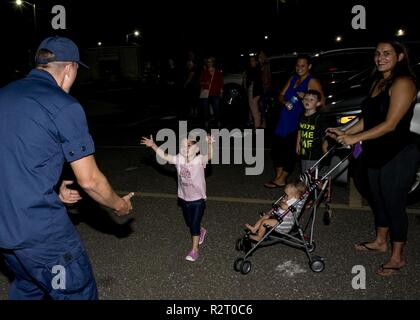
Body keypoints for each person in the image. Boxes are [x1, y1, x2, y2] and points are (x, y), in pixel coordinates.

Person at [0, 36, 134, 300]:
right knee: (76, 291)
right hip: (42, 236)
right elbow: (90, 181)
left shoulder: (5, 94)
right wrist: (118, 205)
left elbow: (15, 153)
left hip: (6, 233)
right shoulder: (64, 105)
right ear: (70, 69)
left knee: (28, 286)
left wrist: (54, 184)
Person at [326, 40, 420, 276]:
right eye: (377, 54)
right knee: (376, 198)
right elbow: (368, 118)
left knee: (393, 203)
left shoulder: (404, 82)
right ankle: (380, 241)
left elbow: (390, 124)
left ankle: (397, 257)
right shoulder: (379, 82)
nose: (380, 58)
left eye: (387, 53)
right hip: (376, 150)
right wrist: (347, 134)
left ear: (400, 57)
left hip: (399, 152)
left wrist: (354, 139)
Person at [141, 134, 214, 262]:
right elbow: (164, 156)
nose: (186, 147)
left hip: (198, 200)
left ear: (196, 149)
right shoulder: (179, 159)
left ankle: (194, 250)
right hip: (184, 198)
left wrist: (209, 144)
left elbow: (210, 156)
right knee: (190, 223)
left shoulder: (198, 160)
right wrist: (153, 145)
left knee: (194, 224)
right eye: (184, 145)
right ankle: (201, 230)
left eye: (189, 145)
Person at [265, 54, 324, 188]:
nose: (299, 68)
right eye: (297, 65)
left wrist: (305, 98)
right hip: (284, 118)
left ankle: (283, 177)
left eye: (303, 65)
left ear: (309, 66)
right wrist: (285, 101)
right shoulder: (293, 78)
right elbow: (280, 95)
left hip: (297, 120)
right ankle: (279, 177)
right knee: (277, 149)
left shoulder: (311, 81)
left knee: (290, 150)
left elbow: (321, 102)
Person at [296, 89, 329, 174]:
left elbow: (326, 132)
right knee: (304, 172)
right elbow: (300, 130)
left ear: (317, 103)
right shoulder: (301, 116)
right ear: (302, 101)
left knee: (314, 174)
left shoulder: (319, 118)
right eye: (306, 99)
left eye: (312, 99)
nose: (308, 101)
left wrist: (325, 145)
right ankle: (307, 186)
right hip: (304, 151)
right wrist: (297, 144)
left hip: (315, 152)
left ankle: (319, 186)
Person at [199, 56, 224, 129]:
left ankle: (218, 121)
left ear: (213, 63)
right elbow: (200, 82)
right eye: (207, 62)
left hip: (215, 93)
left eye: (210, 62)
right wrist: (205, 83)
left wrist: (221, 91)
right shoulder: (204, 72)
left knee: (216, 108)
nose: (208, 63)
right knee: (205, 109)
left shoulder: (217, 72)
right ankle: (206, 121)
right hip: (206, 93)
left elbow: (221, 82)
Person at [243, 55, 263, 129]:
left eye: (253, 61)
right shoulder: (252, 70)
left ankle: (257, 126)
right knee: (254, 109)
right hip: (253, 92)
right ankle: (256, 123)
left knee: (254, 110)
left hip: (254, 93)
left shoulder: (255, 70)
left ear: (256, 62)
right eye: (250, 61)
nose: (251, 62)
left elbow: (252, 81)